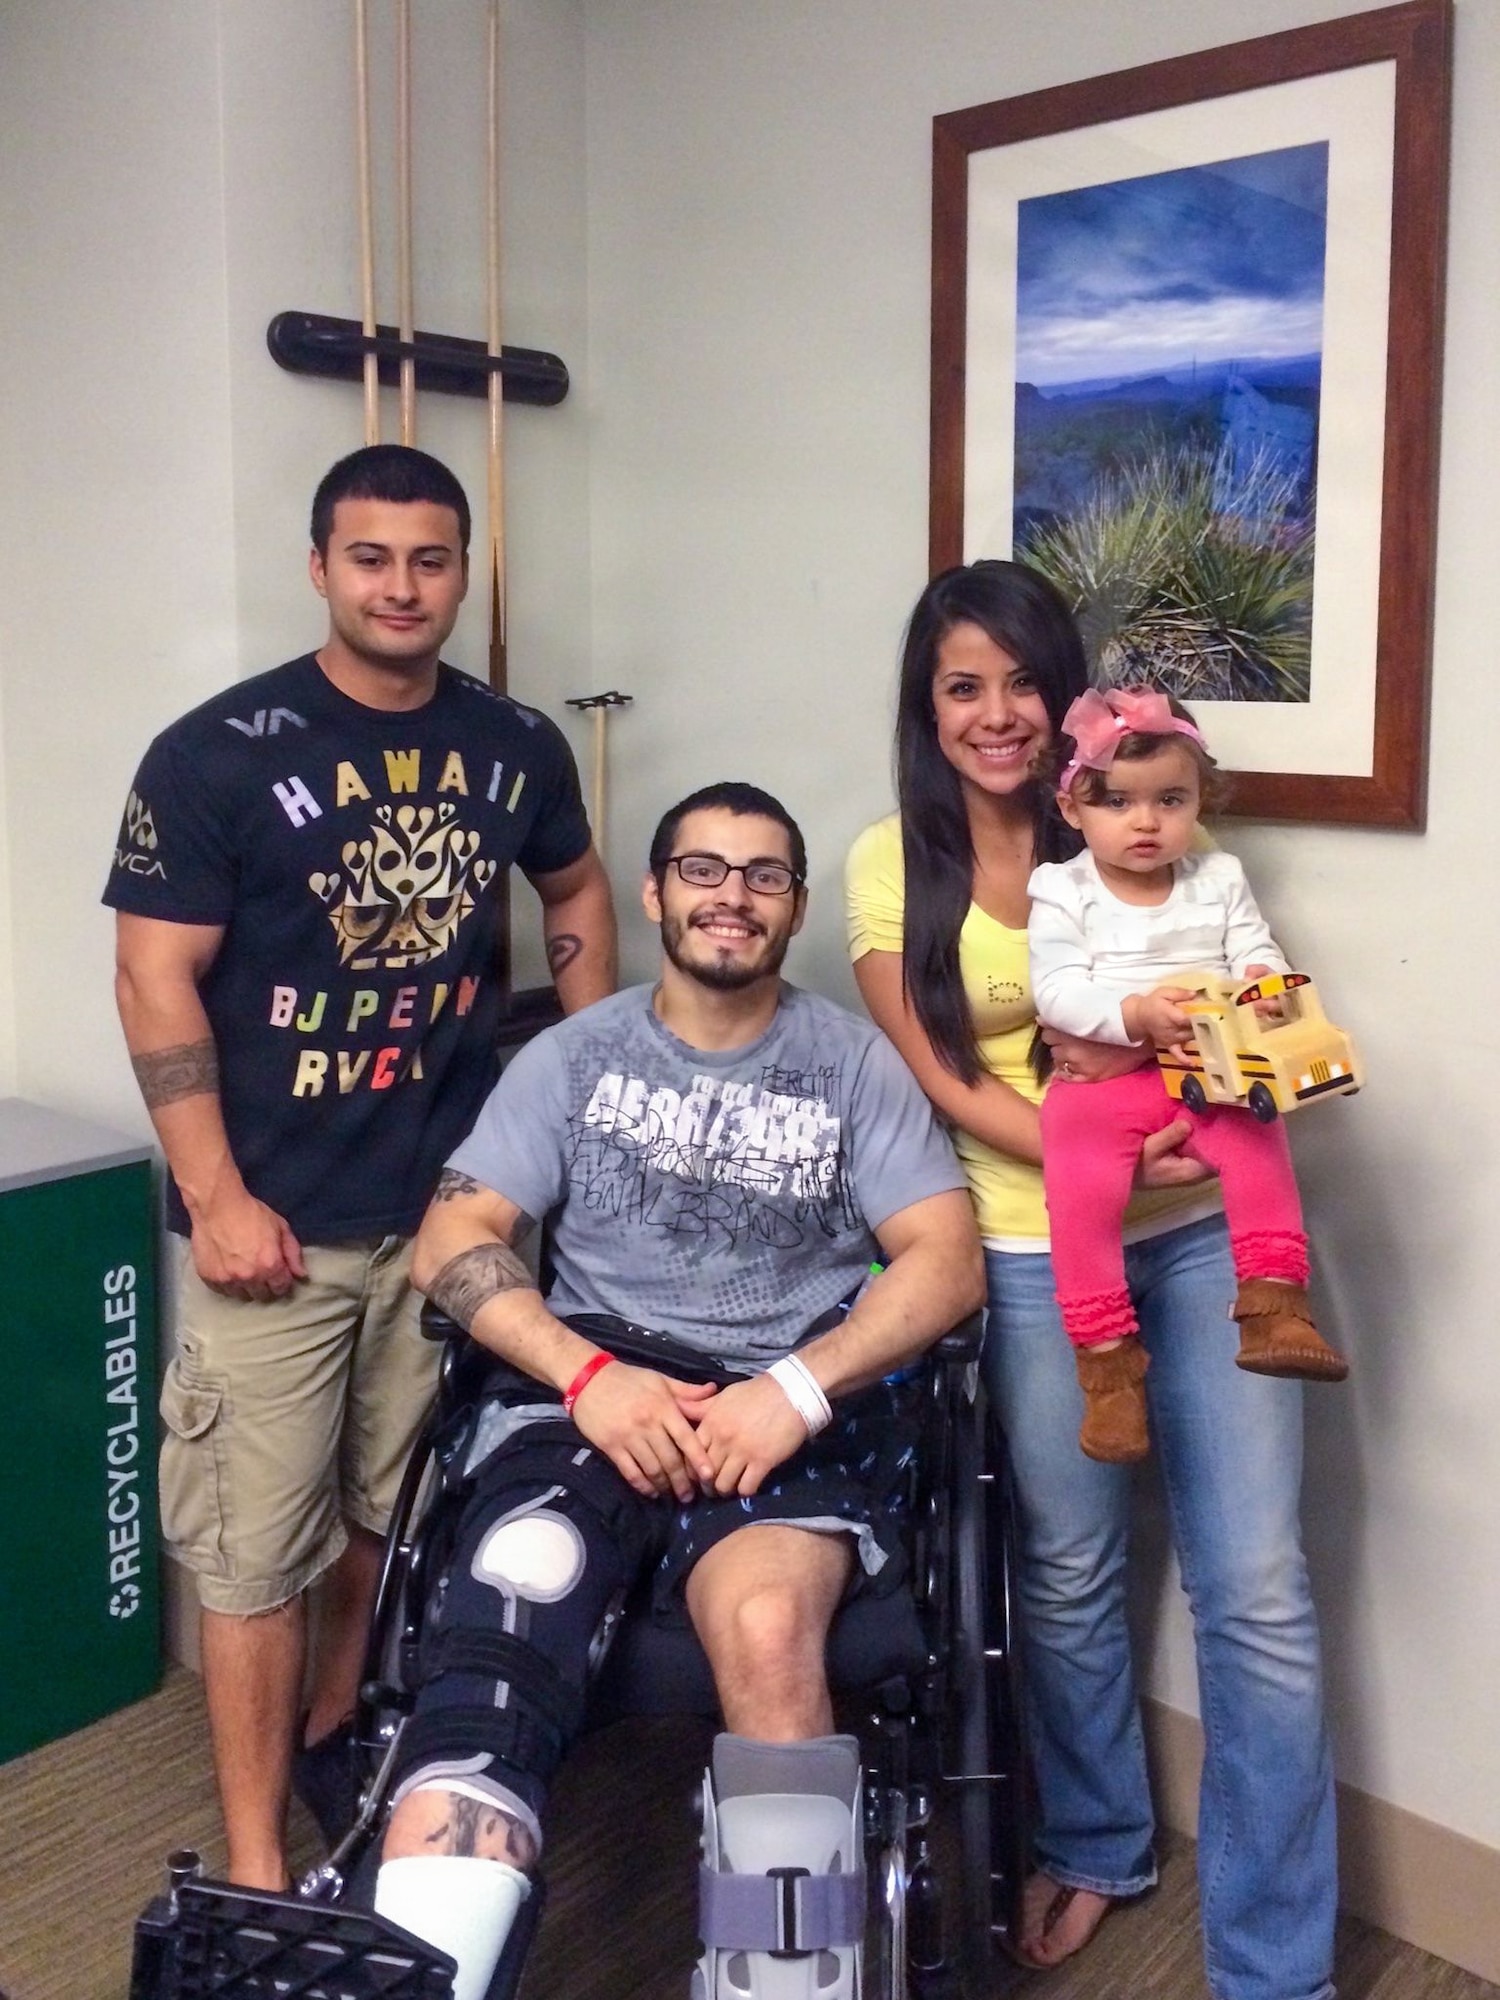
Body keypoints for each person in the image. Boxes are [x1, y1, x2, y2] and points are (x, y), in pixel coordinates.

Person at [104, 443, 617, 1893]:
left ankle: (341, 1736)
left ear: (464, 573)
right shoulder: (216, 752)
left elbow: (574, 884)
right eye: (373, 558)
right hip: (270, 1224)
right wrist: (215, 1197)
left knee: (398, 1519)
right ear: (321, 567)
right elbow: (156, 979)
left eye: (433, 559)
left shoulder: (517, 744)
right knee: (255, 1555)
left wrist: (582, 1094)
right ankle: (261, 1864)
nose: (404, 587)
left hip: (443, 1217)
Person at [375, 780, 982, 2000]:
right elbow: (451, 1239)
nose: (732, 896)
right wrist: (590, 1377)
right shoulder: (576, 1054)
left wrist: (796, 1392)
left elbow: (948, 1259)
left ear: (794, 905)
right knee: (522, 1577)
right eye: (703, 869)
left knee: (767, 1628)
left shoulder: (850, 1064)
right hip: (592, 1391)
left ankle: (781, 1975)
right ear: (655, 894)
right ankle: (423, 1970)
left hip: (784, 1403)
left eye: (764, 875)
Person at [845, 561, 1336, 2000]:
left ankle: (1277, 1959)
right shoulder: (896, 860)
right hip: (1028, 1246)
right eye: (961, 687)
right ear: (926, 709)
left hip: (1205, 1233)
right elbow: (937, 1076)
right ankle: (1102, 1843)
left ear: (1073, 700)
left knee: (1258, 1587)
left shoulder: (1165, 838)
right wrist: (1104, 1161)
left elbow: (1259, 999)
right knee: (1067, 1570)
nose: (996, 714)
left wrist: (1243, 1102)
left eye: (1020, 681)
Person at [1031, 682, 1348, 1463]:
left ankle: (1276, 1306)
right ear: (1073, 808)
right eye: (1119, 802)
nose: (1146, 821)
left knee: (1256, 1137)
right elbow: (1058, 990)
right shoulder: (1062, 889)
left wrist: (1265, 988)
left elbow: (1257, 950)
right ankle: (1109, 1371)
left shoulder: (1218, 879)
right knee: (1079, 1195)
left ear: (1200, 800)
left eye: (1171, 799)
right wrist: (1134, 1015)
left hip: (1205, 1061)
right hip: (1100, 1089)